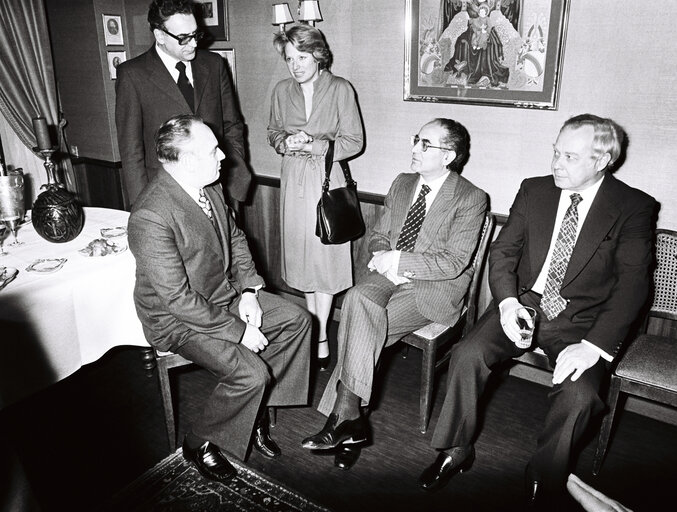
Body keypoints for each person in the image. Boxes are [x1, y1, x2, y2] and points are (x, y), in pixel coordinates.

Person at [418, 115, 656, 506]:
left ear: (601, 161)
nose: (556, 164)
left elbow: (633, 285)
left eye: (570, 157)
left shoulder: (633, 207)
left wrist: (595, 346)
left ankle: (544, 476)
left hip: (583, 321)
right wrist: (508, 302)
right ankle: (455, 450)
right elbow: (505, 250)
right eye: (555, 152)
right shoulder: (535, 190)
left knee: (580, 395)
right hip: (524, 302)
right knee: (466, 354)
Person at [128, 114, 311, 483]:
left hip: (222, 296)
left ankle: (256, 410)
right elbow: (178, 300)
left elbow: (238, 239)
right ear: (188, 158)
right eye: (214, 149)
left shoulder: (208, 186)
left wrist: (248, 291)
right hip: (176, 320)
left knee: (297, 320)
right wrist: (240, 332)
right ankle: (199, 443)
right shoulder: (150, 215)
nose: (223, 156)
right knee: (252, 373)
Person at [301, 118, 487, 470]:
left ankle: (345, 418)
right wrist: (384, 255)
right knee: (358, 300)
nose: (415, 149)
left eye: (425, 144)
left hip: (432, 286)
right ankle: (351, 423)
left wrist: (399, 260)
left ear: (449, 155)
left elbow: (455, 262)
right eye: (416, 139)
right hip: (387, 273)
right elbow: (379, 235)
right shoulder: (402, 183)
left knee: (362, 326)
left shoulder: (470, 197)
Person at [267, 24, 364, 371]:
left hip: (327, 179)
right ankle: (312, 329)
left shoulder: (340, 89)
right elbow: (273, 131)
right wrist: (285, 142)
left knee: (325, 260)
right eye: (290, 58)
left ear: (318, 55)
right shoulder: (281, 90)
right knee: (303, 260)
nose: (295, 65)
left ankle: (321, 334)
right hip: (294, 180)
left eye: (302, 57)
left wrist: (314, 144)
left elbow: (354, 142)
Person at [116, 0, 250, 210]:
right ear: (160, 35)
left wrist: (231, 174)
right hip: (165, 194)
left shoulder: (214, 64)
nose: (194, 44)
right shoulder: (132, 75)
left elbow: (232, 125)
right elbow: (131, 149)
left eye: (195, 34)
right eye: (184, 38)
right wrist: (142, 204)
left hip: (218, 189)